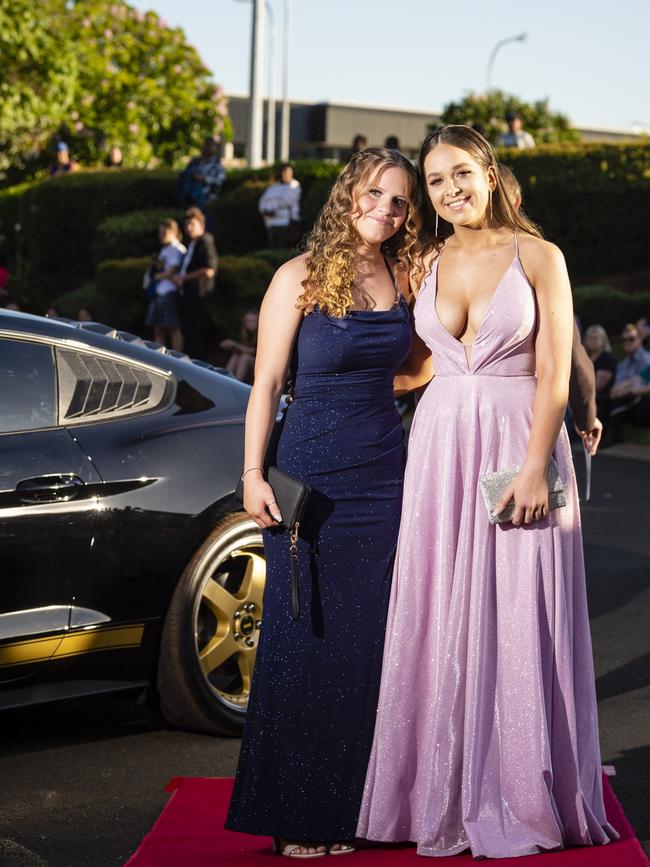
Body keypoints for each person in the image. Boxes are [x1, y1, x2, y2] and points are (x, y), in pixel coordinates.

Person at [357, 125, 617, 857]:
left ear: (491, 172)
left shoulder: (540, 256)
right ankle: (437, 788)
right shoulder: (428, 260)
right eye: (436, 181)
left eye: (461, 173)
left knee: (523, 614)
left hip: (521, 446)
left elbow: (557, 371)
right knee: (440, 610)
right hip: (439, 449)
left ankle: (525, 791)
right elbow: (414, 371)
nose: (450, 190)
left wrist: (539, 464)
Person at [225, 147, 418, 857]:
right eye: (376, 193)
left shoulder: (404, 274)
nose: (386, 210)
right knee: (303, 635)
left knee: (370, 644)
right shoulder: (297, 275)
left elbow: (421, 364)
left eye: (400, 201)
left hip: (385, 476)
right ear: (349, 193)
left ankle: (353, 806)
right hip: (310, 472)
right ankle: (297, 812)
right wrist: (253, 473)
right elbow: (267, 381)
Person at [498, 162, 602, 451]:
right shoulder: (536, 258)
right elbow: (570, 351)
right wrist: (586, 415)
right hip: (524, 420)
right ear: (517, 202)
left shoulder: (438, 259)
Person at [172, 207, 217, 359]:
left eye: (192, 224)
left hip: (199, 294)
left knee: (194, 333)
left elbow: (209, 269)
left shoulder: (205, 240)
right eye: (187, 225)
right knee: (187, 330)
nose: (189, 228)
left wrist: (185, 278)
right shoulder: (192, 243)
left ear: (202, 225)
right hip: (188, 294)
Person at [144, 219, 186, 351]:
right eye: (160, 232)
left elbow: (172, 270)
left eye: (164, 232)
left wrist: (157, 276)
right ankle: (158, 358)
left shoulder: (176, 248)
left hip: (170, 291)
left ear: (173, 232)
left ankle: (178, 359)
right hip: (159, 291)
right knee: (158, 328)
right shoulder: (165, 249)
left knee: (172, 327)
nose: (161, 235)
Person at [608, 323, 650, 430]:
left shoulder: (646, 359)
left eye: (631, 339)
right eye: (624, 340)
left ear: (640, 340)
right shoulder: (622, 365)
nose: (627, 342)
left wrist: (627, 390)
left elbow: (642, 385)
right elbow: (616, 389)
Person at [178, 136, 226, 214]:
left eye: (210, 145)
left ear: (215, 148)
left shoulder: (217, 165)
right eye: (206, 145)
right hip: (189, 193)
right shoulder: (195, 162)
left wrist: (204, 179)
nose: (207, 148)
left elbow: (219, 181)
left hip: (206, 196)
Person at [258, 164, 302, 249]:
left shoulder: (294, 185)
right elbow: (262, 202)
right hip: (270, 224)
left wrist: (270, 207)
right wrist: (266, 210)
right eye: (284, 172)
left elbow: (286, 201)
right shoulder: (273, 188)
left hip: (286, 224)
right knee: (272, 250)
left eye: (288, 172)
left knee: (284, 252)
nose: (285, 174)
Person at [220, 310, 258, 383]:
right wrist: (228, 344)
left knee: (245, 357)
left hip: (258, 365)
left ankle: (237, 383)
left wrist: (235, 345)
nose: (249, 324)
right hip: (242, 362)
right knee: (236, 354)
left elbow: (254, 351)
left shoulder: (261, 334)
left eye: (252, 321)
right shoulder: (243, 333)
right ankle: (224, 378)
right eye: (247, 321)